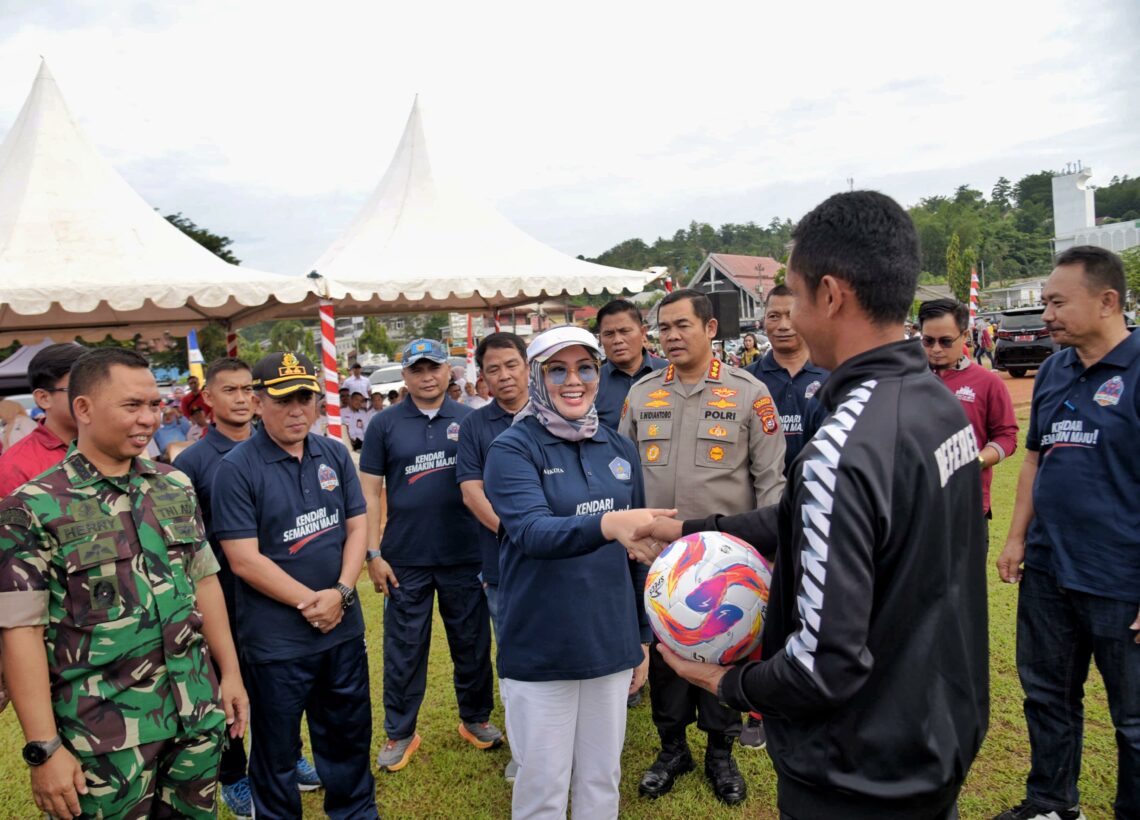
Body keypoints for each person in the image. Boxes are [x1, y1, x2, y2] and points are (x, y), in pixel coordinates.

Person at [630, 191, 989, 820]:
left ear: (829, 295)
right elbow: (803, 522)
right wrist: (689, 528)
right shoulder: (936, 404)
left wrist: (723, 681)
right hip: (934, 734)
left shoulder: (844, 448)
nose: (787, 317)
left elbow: (821, 666)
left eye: (792, 296)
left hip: (854, 770)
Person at [0, 347, 248, 819]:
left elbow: (205, 582)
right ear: (84, 408)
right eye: (132, 405)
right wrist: (44, 748)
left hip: (195, 716)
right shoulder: (32, 508)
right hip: (101, 740)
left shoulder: (174, 486)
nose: (149, 419)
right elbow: (21, 631)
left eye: (153, 405)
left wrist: (230, 673)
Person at [483, 325, 666, 820]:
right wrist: (607, 524)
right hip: (542, 645)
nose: (573, 381)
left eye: (585, 368)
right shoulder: (512, 449)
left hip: (609, 640)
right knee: (543, 787)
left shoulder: (618, 448)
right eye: (557, 370)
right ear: (537, 378)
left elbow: (638, 552)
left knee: (601, 780)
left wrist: (641, 637)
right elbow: (533, 532)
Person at [620, 288, 786, 806]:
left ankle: (720, 754)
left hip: (729, 565)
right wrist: (631, 536)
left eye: (682, 325)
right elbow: (621, 472)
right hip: (658, 564)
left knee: (725, 655)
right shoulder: (642, 395)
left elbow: (771, 483)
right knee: (666, 660)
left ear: (711, 329)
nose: (671, 336)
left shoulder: (748, 393)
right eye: (664, 327)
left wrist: (768, 556)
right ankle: (672, 750)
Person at [995, 246, 1139, 820]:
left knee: (1133, 718)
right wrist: (1016, 539)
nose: (1046, 314)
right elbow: (1034, 458)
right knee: (1047, 696)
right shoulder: (1054, 369)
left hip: (1121, 579)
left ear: (1107, 301)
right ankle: (1051, 804)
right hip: (1050, 568)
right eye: (1045, 302)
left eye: (1057, 302)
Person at [212, 352, 378, 820]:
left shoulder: (333, 452)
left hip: (342, 631)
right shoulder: (237, 468)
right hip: (277, 644)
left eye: (305, 398)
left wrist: (341, 593)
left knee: (348, 740)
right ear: (258, 402)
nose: (296, 410)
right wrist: (312, 602)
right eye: (283, 399)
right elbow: (243, 559)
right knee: (276, 755)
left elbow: (357, 526)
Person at [174, 357, 322, 817]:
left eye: (245, 390)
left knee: (284, 688)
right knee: (230, 686)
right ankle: (234, 775)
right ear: (208, 398)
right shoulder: (191, 462)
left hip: (278, 594)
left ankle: (289, 755)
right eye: (230, 390)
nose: (240, 399)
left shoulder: (285, 445)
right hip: (225, 598)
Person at [360, 339, 501, 773]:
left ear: (448, 372)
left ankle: (475, 718)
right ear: (405, 376)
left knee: (472, 643)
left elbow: (488, 485)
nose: (426, 377)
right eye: (417, 369)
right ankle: (400, 731)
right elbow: (369, 492)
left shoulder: (470, 420)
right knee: (403, 649)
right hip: (405, 558)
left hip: (465, 554)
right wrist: (372, 552)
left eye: (434, 368)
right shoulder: (383, 424)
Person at [456, 332, 529, 782]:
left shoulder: (554, 413)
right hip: (504, 565)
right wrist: (518, 535)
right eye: (493, 369)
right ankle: (524, 750)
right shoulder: (475, 426)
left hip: (561, 563)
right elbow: (471, 492)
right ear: (482, 378)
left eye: (511, 365)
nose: (504, 376)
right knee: (515, 659)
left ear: (528, 366)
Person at [918, 298, 1018, 529]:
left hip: (967, 508)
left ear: (964, 336)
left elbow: (1007, 437)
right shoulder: (905, 379)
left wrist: (976, 462)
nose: (936, 349)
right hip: (915, 508)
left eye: (945, 341)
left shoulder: (988, 383)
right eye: (928, 341)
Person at [746, 283, 831, 475]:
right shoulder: (746, 381)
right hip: (763, 489)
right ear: (763, 321)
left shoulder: (833, 375)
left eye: (791, 315)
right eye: (774, 316)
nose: (783, 326)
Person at [0, 343, 86, 497]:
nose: (93, 398)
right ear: (44, 398)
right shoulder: (15, 466)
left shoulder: (117, 445)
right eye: (79, 389)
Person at [595, 299, 668, 430]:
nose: (617, 340)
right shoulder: (592, 384)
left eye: (625, 331)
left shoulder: (670, 372)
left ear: (643, 332)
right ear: (600, 339)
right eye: (609, 334)